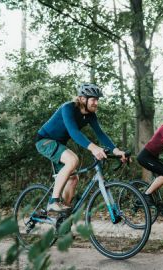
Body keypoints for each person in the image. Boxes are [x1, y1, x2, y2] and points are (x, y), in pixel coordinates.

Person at [35, 83, 127, 212]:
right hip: (45, 141)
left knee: (73, 180)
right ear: (83, 99)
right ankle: (53, 201)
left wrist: (116, 151)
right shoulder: (68, 108)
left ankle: (63, 220)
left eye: (97, 100)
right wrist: (94, 148)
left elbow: (100, 134)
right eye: (93, 99)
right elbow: (74, 132)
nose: (96, 103)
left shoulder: (90, 116)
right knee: (73, 160)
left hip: (59, 144)